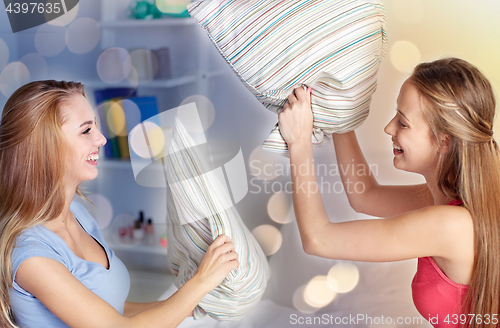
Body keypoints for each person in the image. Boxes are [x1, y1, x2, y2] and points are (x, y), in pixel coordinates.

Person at [278, 58, 500, 327]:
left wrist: (299, 142)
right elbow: (365, 195)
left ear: (443, 141)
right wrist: (340, 115)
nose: (388, 128)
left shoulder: (451, 225)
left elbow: (318, 239)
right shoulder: (452, 199)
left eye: (403, 123)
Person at [0, 80, 239, 328]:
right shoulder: (31, 256)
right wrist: (201, 281)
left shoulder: (76, 213)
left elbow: (109, 309)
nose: (102, 139)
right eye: (86, 131)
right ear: (46, 148)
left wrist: (193, 308)